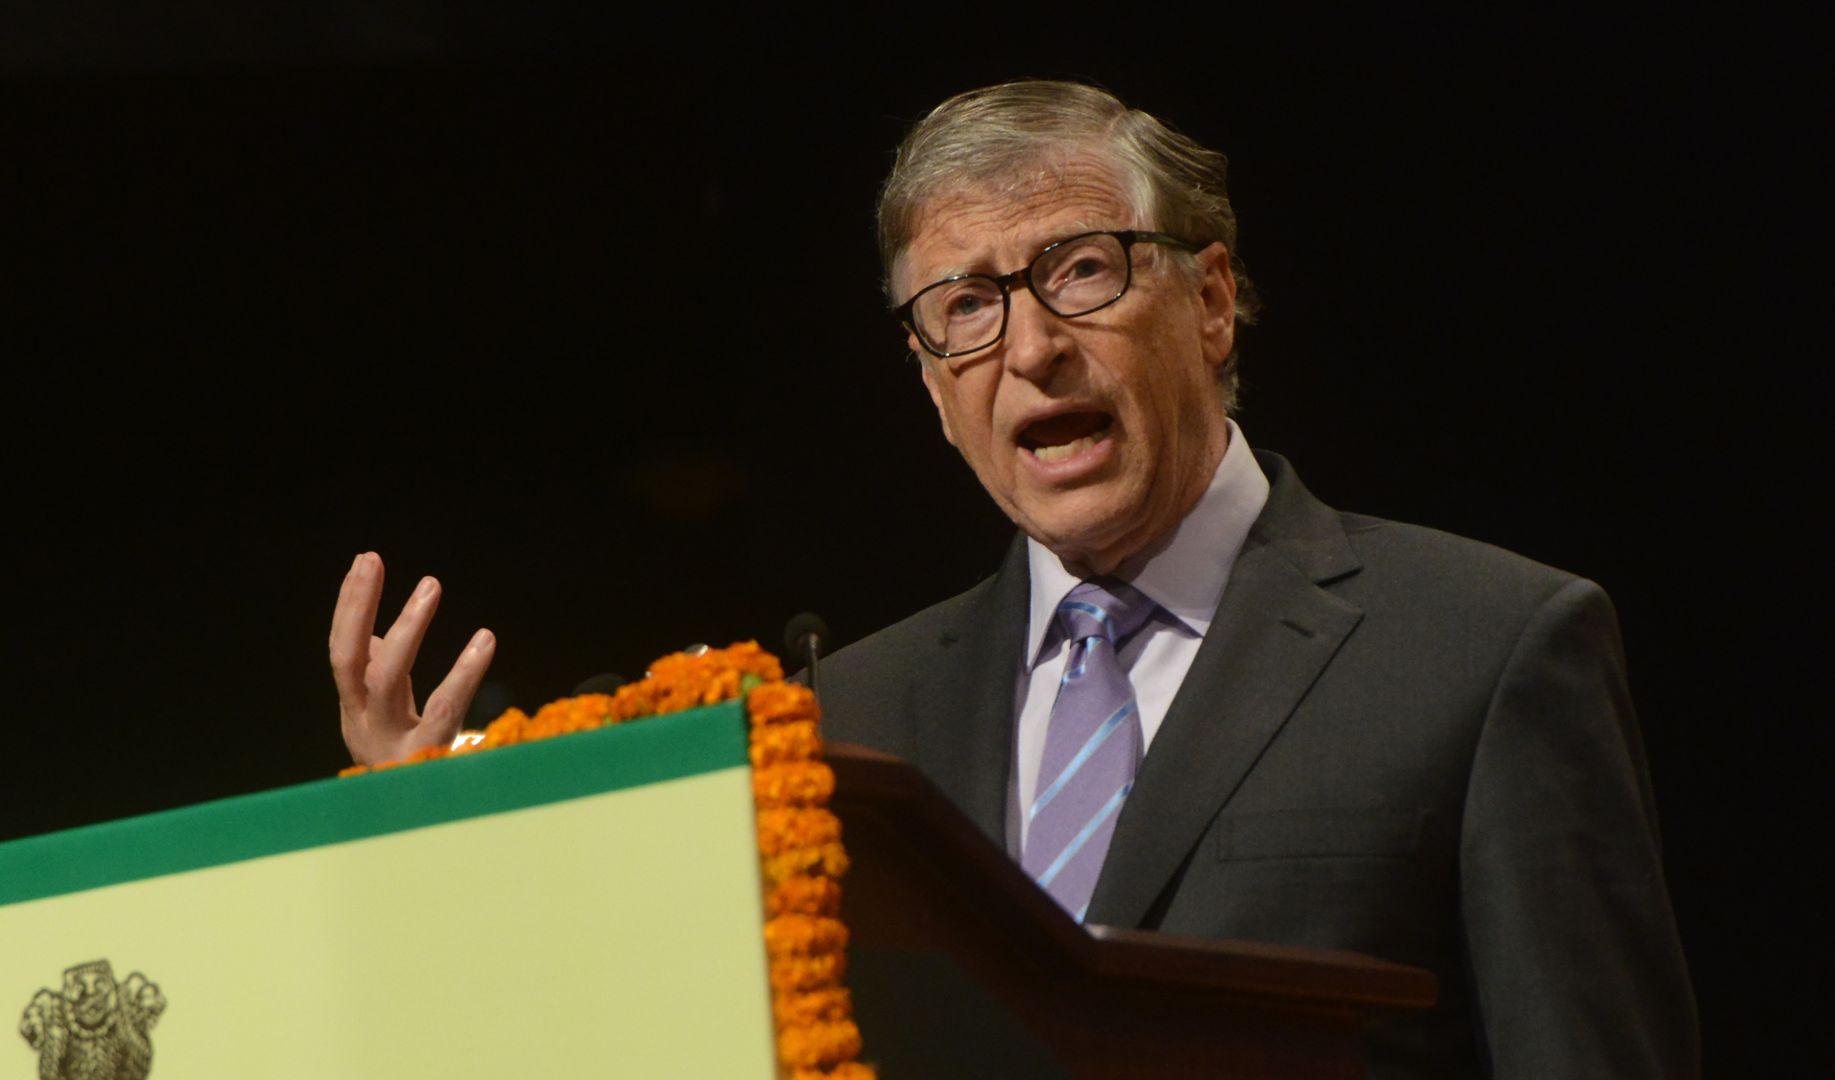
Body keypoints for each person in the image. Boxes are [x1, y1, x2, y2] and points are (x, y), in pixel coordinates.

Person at [331, 80, 1698, 1078]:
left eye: (1081, 272)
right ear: (929, 383)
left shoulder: (1484, 646)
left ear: (1213, 300)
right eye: (964, 309)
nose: (1029, 348)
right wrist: (455, 858)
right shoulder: (839, 723)